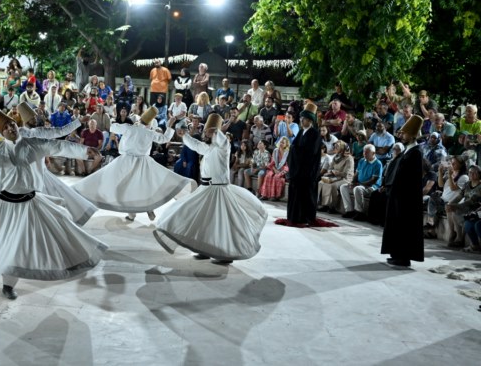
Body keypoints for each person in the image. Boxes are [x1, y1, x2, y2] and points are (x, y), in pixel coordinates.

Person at [0, 107, 108, 300]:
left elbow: (57, 146)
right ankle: (5, 281)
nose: (11, 127)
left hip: (29, 204)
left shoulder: (32, 143)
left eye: (12, 124)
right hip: (2, 206)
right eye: (6, 127)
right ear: (1, 132)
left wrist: (85, 151)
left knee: (21, 245)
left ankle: (9, 284)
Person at [154, 113, 268, 263]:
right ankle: (204, 248)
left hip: (219, 190)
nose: (205, 133)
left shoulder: (223, 145)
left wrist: (215, 129)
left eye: (209, 131)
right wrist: (185, 134)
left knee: (221, 224)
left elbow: (220, 138)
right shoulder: (209, 148)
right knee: (203, 219)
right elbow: (195, 145)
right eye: (206, 131)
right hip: (206, 189)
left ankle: (225, 254)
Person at [74, 106, 196, 222]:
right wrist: (170, 126)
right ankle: (146, 208)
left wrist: (114, 118)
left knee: (121, 184)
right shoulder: (149, 132)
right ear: (149, 123)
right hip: (143, 162)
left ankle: (136, 211)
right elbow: (164, 139)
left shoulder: (130, 127)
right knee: (145, 186)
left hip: (127, 160)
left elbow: (112, 128)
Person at [381, 115, 425, 268]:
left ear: (412, 135)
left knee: (404, 227)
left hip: (407, 198)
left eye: (405, 133)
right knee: (396, 225)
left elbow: (412, 179)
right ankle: (396, 253)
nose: (402, 135)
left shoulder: (416, 153)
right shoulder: (407, 151)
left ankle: (403, 256)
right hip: (398, 195)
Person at [284, 102, 324, 226]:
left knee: (306, 194)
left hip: (308, 171)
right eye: (301, 118)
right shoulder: (301, 132)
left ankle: (306, 217)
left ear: (310, 121)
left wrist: (296, 150)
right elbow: (293, 147)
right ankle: (294, 216)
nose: (302, 121)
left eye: (305, 119)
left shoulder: (315, 134)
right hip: (298, 170)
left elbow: (311, 152)